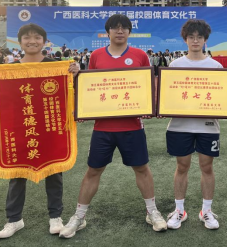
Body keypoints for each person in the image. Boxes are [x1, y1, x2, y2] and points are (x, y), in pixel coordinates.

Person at [60, 15, 167, 239]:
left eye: (124, 28)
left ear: (129, 32)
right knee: (93, 170)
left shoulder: (139, 55)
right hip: (103, 128)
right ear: (107, 32)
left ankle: (152, 211)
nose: (120, 31)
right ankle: (79, 216)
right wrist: (83, 105)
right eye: (115, 28)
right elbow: (91, 87)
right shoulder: (96, 56)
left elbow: (147, 86)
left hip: (132, 126)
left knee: (142, 168)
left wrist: (149, 106)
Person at [0, 24, 80, 239]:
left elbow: (71, 93)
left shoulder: (56, 66)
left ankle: (55, 217)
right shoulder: (9, 69)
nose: (32, 41)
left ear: (44, 42)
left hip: (49, 128)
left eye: (37, 37)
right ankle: (14, 219)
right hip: (21, 128)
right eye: (27, 37)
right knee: (17, 174)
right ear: (20, 42)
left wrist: (76, 72)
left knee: (54, 172)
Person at [164, 20, 223, 231]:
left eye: (199, 37)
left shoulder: (216, 67)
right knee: (182, 166)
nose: (195, 40)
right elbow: (168, 96)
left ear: (205, 40)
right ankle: (179, 210)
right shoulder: (175, 65)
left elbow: (222, 97)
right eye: (191, 37)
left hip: (208, 126)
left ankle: (206, 211)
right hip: (180, 126)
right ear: (185, 40)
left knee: (207, 167)